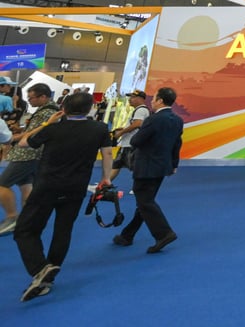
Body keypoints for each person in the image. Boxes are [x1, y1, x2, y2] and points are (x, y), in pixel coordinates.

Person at [13, 91, 114, 301]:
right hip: (76, 188)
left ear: (64, 109)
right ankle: (48, 278)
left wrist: (47, 124)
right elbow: (107, 153)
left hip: (47, 186)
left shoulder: (53, 129)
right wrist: (106, 178)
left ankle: (40, 268)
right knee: (63, 230)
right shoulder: (100, 128)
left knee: (25, 230)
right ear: (91, 109)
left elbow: (23, 143)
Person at [112, 87, 183, 253]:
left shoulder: (153, 119)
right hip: (162, 166)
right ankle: (127, 235)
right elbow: (177, 145)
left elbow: (136, 140)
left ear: (160, 100)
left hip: (146, 165)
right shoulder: (177, 120)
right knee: (145, 202)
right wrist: (174, 164)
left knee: (144, 201)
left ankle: (164, 233)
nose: (151, 101)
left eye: (154, 98)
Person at [0, 84, 61, 236]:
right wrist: (20, 131)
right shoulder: (48, 111)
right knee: (26, 185)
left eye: (31, 97)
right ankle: (28, 220)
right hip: (34, 154)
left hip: (28, 154)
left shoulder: (46, 113)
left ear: (43, 97)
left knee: (2, 185)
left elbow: (35, 134)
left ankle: (12, 217)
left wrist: (14, 138)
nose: (29, 100)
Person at [110, 90, 150, 185]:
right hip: (129, 143)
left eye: (132, 97)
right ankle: (104, 184)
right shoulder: (140, 110)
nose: (129, 100)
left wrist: (121, 133)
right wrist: (123, 129)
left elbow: (137, 124)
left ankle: (140, 186)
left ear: (140, 99)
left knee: (135, 167)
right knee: (116, 165)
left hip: (131, 144)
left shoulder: (141, 110)